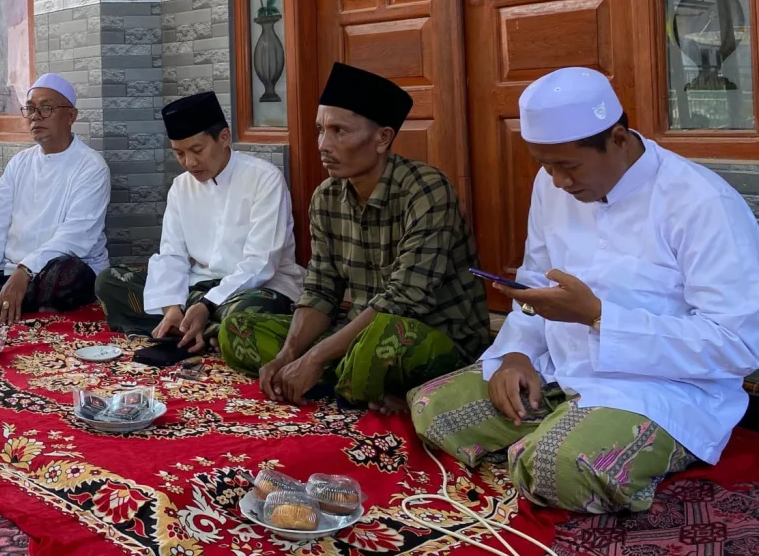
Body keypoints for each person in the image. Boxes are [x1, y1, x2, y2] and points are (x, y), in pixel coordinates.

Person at [409, 67, 759, 514]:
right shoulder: (552, 185)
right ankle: (562, 426)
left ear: (617, 139)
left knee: (560, 467)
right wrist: (516, 355)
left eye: (568, 166)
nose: (557, 181)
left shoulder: (703, 203)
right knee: (431, 408)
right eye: (545, 165)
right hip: (560, 368)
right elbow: (534, 286)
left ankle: (566, 440)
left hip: (661, 390)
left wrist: (598, 318)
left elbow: (739, 345)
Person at [219, 62, 489, 410]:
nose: (323, 145)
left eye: (339, 131)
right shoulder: (326, 197)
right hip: (355, 331)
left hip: (429, 336)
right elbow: (321, 288)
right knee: (236, 327)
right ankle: (353, 382)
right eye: (320, 130)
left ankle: (347, 376)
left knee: (380, 345)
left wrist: (314, 357)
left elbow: (405, 300)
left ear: (382, 138)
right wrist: (290, 354)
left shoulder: (427, 190)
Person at [95, 92, 305, 351]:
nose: (189, 163)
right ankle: (197, 330)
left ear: (224, 137)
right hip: (198, 286)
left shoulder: (264, 179)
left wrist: (207, 305)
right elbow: (172, 254)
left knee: (242, 316)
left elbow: (261, 263)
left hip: (257, 288)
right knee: (110, 281)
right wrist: (172, 306)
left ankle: (197, 329)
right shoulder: (180, 187)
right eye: (179, 154)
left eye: (197, 150)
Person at [0, 73, 110, 324]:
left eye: (46, 108)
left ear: (71, 116)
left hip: (61, 267)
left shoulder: (92, 167)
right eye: (30, 108)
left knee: (65, 277)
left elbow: (77, 236)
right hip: (13, 268)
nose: (35, 116)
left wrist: (25, 270)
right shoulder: (19, 163)